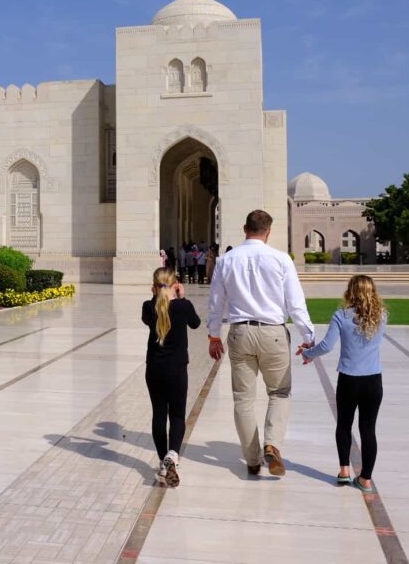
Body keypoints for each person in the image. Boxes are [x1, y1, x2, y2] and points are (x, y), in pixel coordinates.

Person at [207, 210, 315, 477]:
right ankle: (272, 445)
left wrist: (213, 335)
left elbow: (216, 302)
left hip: (240, 333)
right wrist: (308, 337)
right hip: (273, 333)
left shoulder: (226, 260)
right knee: (279, 393)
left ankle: (253, 459)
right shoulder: (280, 259)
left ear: (245, 228)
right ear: (268, 231)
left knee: (243, 399)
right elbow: (295, 303)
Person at [298, 275, 386, 493]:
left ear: (350, 292)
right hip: (373, 380)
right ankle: (365, 479)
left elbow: (327, 346)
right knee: (368, 430)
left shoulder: (341, 316)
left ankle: (344, 471)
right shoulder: (382, 316)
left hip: (349, 379)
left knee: (344, 425)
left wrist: (308, 353)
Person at [141, 267, 201, 487]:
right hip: (177, 369)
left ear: (155, 287)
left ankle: (162, 461)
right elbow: (195, 323)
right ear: (175, 284)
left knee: (159, 413)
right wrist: (181, 298)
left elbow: (149, 317)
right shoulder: (184, 306)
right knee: (177, 415)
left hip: (155, 368)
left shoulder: (149, 306)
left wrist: (156, 295)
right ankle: (173, 455)